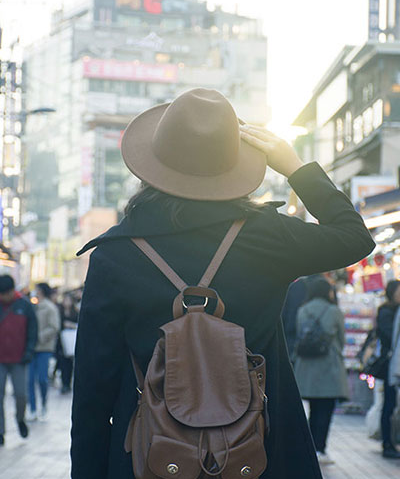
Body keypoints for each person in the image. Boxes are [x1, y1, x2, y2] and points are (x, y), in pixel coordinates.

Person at [71, 88, 375, 479]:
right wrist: (296, 167)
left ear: (153, 164)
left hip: (150, 457)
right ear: (232, 167)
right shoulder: (268, 237)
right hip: (260, 454)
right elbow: (355, 237)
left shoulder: (116, 254)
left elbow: (93, 389)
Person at [294, 278, 348, 464]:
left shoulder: (303, 310)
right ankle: (320, 449)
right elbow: (341, 339)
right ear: (328, 292)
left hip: (306, 366)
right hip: (329, 366)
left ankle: (309, 448)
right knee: (325, 409)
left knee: (312, 409)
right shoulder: (334, 311)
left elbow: (299, 333)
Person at [0, 275, 37, 445]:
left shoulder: (25, 305)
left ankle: (20, 419)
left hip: (19, 360)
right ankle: (1, 432)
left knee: (21, 395)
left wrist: (28, 352)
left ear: (10, 291)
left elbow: (32, 331)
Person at [28, 282, 60, 421]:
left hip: (44, 348)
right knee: (29, 380)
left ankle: (43, 405)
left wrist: (40, 336)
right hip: (31, 348)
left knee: (42, 378)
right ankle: (33, 409)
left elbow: (54, 327)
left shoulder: (49, 307)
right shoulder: (32, 306)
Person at [377, 279, 400, 459]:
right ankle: (387, 442)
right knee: (389, 404)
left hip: (394, 364)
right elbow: (387, 335)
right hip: (390, 364)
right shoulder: (386, 311)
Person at [58, 294, 79, 394]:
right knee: (62, 363)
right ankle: (64, 384)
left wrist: (71, 325)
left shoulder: (76, 312)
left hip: (71, 340)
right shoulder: (59, 312)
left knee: (70, 364)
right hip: (61, 341)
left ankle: (68, 383)